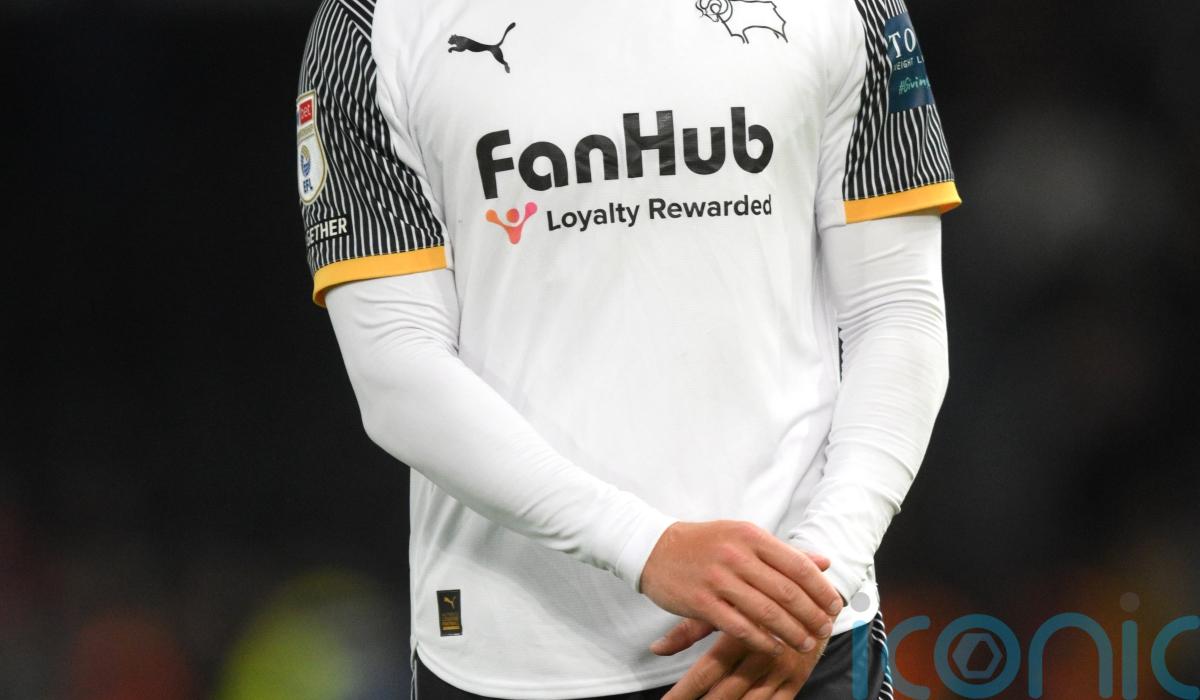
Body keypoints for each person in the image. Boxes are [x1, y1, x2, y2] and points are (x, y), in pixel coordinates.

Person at [294, 0, 958, 697]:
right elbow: (396, 367)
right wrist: (645, 546)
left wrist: (816, 580)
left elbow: (898, 312)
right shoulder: (372, 24)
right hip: (519, 660)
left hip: (796, 635)